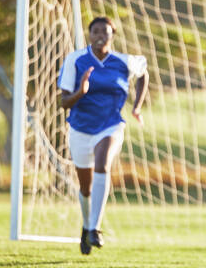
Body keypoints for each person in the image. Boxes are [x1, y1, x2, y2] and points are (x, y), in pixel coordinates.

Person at [58, 16, 148, 255]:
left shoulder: (122, 61)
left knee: (103, 164)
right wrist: (81, 91)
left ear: (112, 35)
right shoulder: (75, 60)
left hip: (110, 125)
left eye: (105, 31)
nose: (100, 34)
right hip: (80, 128)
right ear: (89, 34)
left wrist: (136, 106)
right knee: (85, 187)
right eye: (95, 30)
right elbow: (64, 101)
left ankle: (95, 229)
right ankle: (86, 227)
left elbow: (143, 73)